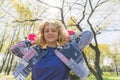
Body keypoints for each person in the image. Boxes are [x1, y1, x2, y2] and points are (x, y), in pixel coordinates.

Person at [10, 20, 93, 80]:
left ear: (58, 33)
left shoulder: (67, 51)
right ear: (43, 34)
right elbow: (14, 49)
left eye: (53, 31)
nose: (50, 33)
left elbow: (88, 35)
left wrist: (65, 37)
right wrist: (34, 42)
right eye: (46, 31)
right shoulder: (34, 52)